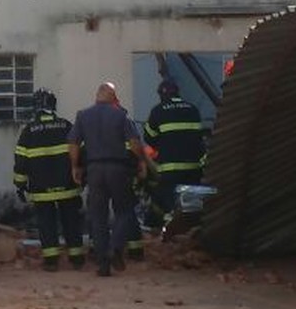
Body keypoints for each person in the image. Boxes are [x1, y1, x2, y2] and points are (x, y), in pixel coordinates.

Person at [67, 81, 146, 277]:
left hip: (94, 170)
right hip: (117, 168)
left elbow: (74, 143)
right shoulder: (120, 115)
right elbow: (135, 143)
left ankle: (103, 264)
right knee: (126, 209)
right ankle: (116, 247)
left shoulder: (83, 115)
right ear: (112, 96)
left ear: (97, 95)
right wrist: (142, 161)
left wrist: (75, 166)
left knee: (98, 217)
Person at [12, 88, 85, 271]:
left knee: (46, 223)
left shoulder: (28, 131)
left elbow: (21, 161)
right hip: (68, 187)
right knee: (71, 221)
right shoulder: (67, 126)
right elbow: (81, 153)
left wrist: (20, 185)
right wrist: (84, 178)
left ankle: (51, 261)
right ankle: (76, 258)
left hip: (41, 190)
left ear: (35, 107)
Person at [143, 79, 207, 225]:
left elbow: (149, 137)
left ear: (161, 95)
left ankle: (169, 234)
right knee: (191, 207)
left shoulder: (158, 110)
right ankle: (190, 232)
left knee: (169, 204)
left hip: (170, 169)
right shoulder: (193, 109)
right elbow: (198, 137)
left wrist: (162, 145)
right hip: (193, 168)